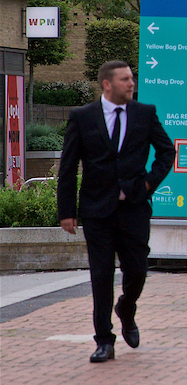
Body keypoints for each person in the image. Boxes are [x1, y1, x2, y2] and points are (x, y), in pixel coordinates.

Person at [57, 60, 176, 363]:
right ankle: (104, 340)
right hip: (97, 210)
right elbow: (68, 167)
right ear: (107, 84)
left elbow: (167, 151)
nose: (131, 83)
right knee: (100, 275)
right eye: (124, 79)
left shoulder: (144, 113)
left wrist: (148, 183)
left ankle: (126, 307)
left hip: (134, 207)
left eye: (131, 78)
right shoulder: (82, 117)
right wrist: (66, 211)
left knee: (137, 269)